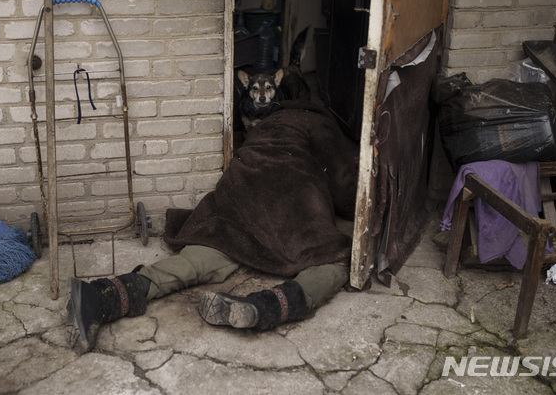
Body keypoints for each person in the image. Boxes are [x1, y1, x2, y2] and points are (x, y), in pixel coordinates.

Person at [67, 100, 359, 354]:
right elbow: (345, 189)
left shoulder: (268, 122)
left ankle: (100, 296)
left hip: (237, 192)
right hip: (288, 196)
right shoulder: (321, 123)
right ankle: (266, 307)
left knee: (209, 252)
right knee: (334, 258)